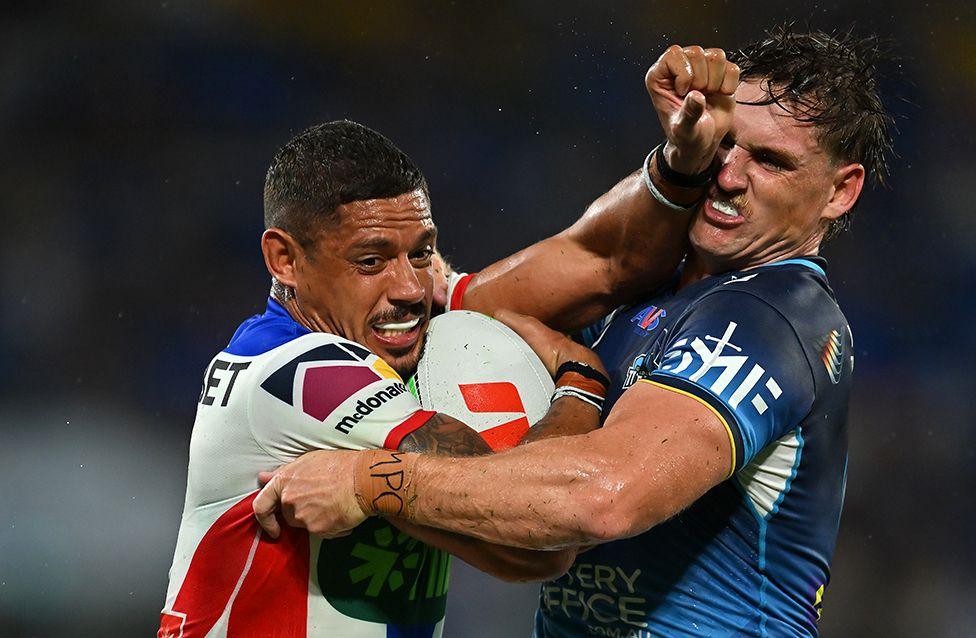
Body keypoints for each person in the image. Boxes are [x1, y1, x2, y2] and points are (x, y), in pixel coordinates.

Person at [253, 26, 894, 637]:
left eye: (772, 161)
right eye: (727, 143)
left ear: (840, 191)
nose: (728, 176)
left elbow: (603, 496)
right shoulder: (661, 282)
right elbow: (471, 301)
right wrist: (678, 159)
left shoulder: (771, 318)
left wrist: (371, 482)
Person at [159, 95, 716, 638]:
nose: (409, 288)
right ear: (286, 259)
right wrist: (581, 384)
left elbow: (600, 261)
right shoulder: (307, 372)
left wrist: (679, 166)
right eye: (371, 260)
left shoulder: (366, 324)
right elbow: (533, 541)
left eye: (421, 251)